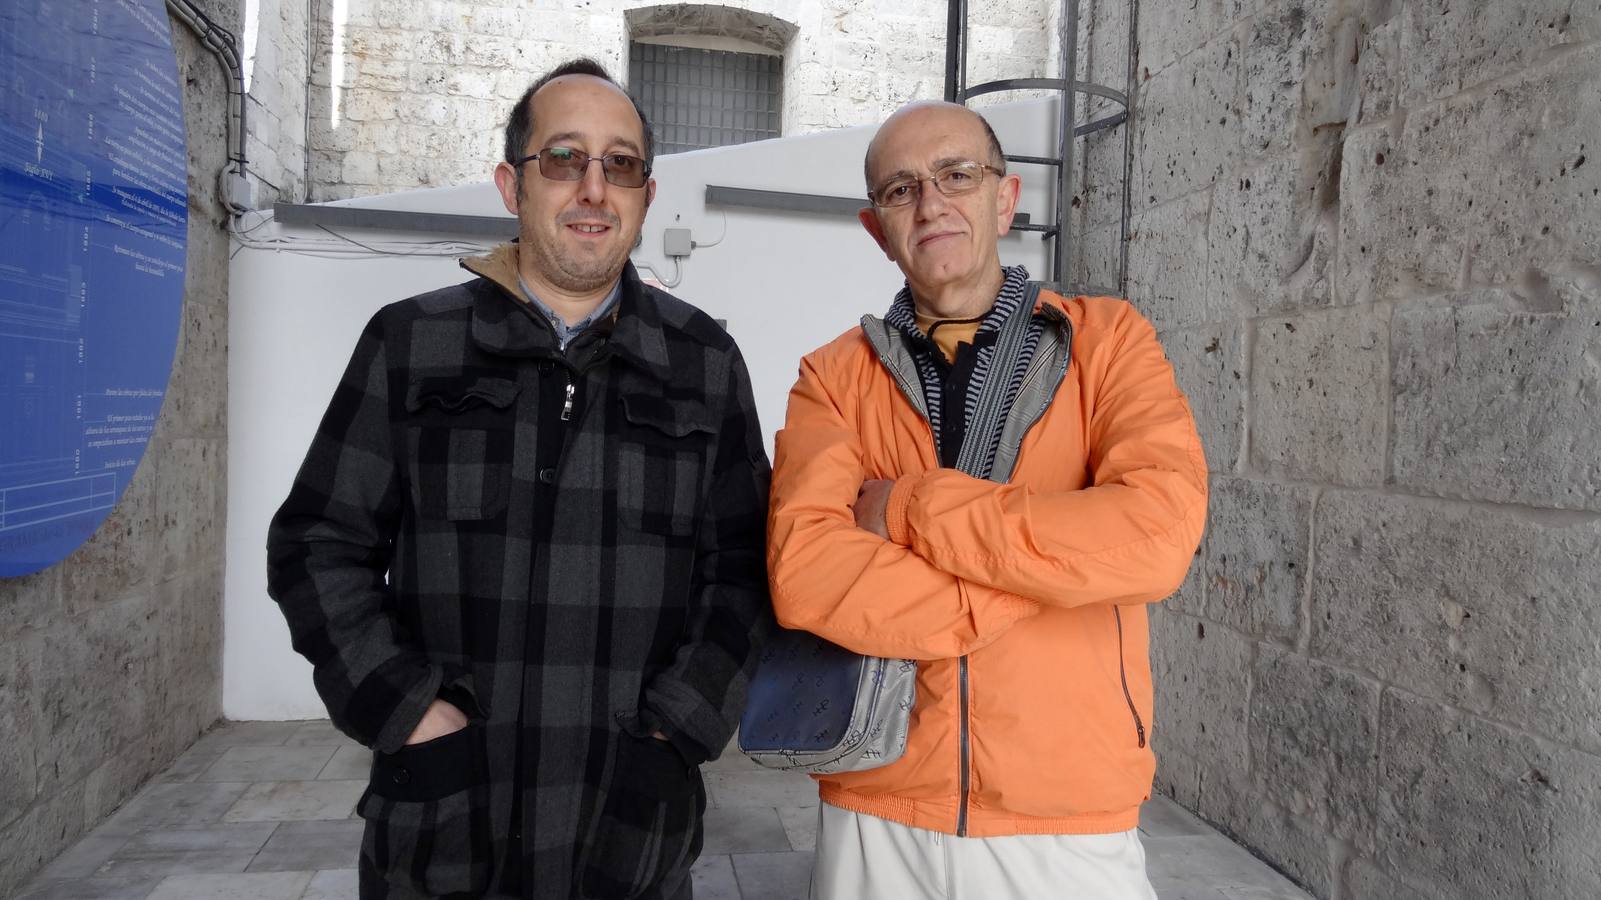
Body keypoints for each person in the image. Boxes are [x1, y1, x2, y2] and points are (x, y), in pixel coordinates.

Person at [267, 58, 771, 900]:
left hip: (627, 819)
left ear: (646, 194)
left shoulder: (703, 364)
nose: (592, 188)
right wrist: (405, 710)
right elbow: (318, 544)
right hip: (446, 823)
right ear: (512, 183)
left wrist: (677, 728)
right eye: (564, 158)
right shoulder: (412, 344)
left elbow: (746, 571)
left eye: (620, 165)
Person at [766, 100, 1208, 899]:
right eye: (900, 190)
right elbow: (807, 573)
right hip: (879, 798)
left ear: (1003, 199)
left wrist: (907, 509)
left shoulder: (1109, 343)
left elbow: (1156, 534)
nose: (930, 202)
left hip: (1066, 810)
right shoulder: (832, 378)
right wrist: (1037, 581)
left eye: (955, 176)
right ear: (876, 228)